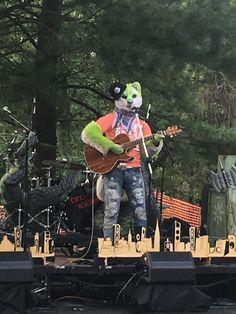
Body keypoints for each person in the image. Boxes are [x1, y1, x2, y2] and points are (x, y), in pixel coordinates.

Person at [81, 81, 162, 239]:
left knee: (140, 208)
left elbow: (148, 151)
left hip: (135, 169)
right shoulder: (111, 118)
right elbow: (88, 132)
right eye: (125, 97)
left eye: (132, 96)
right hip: (113, 169)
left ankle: (140, 243)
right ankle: (108, 244)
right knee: (112, 209)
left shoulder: (142, 125)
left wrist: (156, 141)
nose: (129, 100)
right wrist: (109, 146)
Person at [0, 131, 84, 230]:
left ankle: (76, 173)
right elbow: (21, 164)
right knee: (61, 190)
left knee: (56, 190)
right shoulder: (11, 178)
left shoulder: (7, 178)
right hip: (29, 198)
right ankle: (77, 172)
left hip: (21, 199)